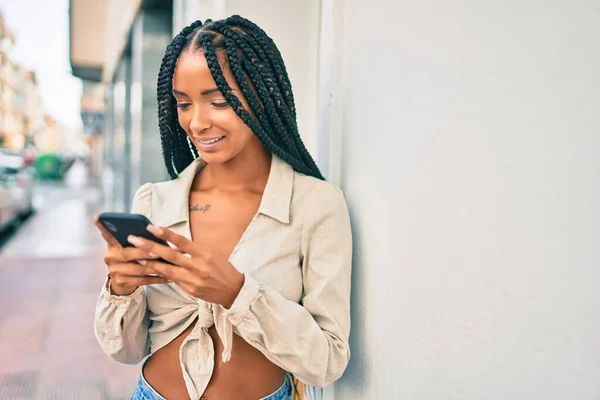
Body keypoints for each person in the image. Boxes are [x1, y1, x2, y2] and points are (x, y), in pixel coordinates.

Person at [93, 15, 352, 400]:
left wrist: (236, 293)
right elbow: (125, 351)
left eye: (217, 101)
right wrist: (121, 289)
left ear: (262, 96)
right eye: (183, 104)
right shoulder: (154, 201)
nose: (196, 123)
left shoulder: (315, 205)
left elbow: (327, 362)